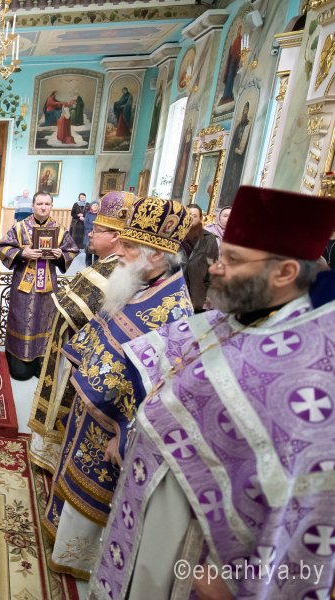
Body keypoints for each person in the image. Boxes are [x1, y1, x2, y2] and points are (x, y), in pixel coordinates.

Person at [90, 187, 335, 600]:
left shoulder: (312, 367)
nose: (215, 269)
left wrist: (240, 574)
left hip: (205, 550)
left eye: (232, 260)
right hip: (153, 511)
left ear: (285, 273)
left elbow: (307, 494)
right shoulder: (238, 316)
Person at [44, 195, 194, 580]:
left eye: (128, 246)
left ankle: (79, 560)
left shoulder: (176, 310)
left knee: (94, 498)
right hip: (91, 412)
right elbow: (101, 328)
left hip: (114, 430)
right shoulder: (137, 283)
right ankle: (61, 543)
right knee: (73, 482)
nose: (121, 252)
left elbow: (165, 390)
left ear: (156, 254)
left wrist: (126, 436)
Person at [29, 192, 133, 473]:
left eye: (96, 230)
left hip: (79, 358)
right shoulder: (105, 262)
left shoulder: (118, 269)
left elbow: (76, 310)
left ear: (115, 236)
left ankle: (56, 455)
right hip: (70, 349)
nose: (90, 233)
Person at [0, 191, 79, 380]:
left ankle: (41, 361)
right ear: (33, 205)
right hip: (23, 286)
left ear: (51, 206)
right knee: (21, 319)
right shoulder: (19, 227)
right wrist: (22, 254)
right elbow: (3, 247)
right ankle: (19, 363)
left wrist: (60, 255)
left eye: (47, 204)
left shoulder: (59, 230)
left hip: (47, 287)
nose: (43, 207)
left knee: (45, 321)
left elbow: (72, 250)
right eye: (40, 204)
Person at [182, 203, 219, 311]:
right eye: (188, 215)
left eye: (194, 216)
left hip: (197, 292)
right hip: (175, 289)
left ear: (200, 218)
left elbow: (212, 267)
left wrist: (207, 291)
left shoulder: (209, 239)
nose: (191, 219)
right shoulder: (174, 236)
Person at [83, 200, 98, 266]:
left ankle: (96, 264)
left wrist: (96, 229)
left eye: (96, 205)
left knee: (97, 250)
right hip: (89, 233)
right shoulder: (88, 214)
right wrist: (92, 228)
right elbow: (86, 223)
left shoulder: (99, 215)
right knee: (88, 249)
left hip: (97, 234)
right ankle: (88, 264)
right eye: (94, 205)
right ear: (91, 206)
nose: (95, 206)